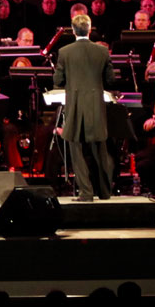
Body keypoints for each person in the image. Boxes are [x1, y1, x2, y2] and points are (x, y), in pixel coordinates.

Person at [53, 12, 118, 201]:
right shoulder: (102, 51)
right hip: (96, 106)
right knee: (100, 149)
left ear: (73, 31)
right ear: (89, 30)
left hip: (75, 106)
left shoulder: (65, 52)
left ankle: (86, 192)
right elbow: (111, 80)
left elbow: (58, 80)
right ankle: (105, 192)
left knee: (76, 148)